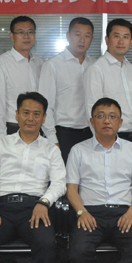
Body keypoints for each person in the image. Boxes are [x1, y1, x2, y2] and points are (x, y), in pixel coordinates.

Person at [0, 92, 65, 263]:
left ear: (44, 118)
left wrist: (44, 203)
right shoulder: (0, 144)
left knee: (47, 245)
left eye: (36, 114)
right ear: (17, 115)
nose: (31, 118)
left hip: (35, 208)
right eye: (26, 113)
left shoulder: (51, 149)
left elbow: (59, 183)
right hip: (1, 209)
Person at [66, 98, 132, 263]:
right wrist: (82, 212)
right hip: (90, 214)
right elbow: (71, 188)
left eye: (112, 117)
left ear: (120, 122)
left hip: (124, 213)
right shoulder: (78, 150)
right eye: (101, 116)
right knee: (78, 254)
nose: (106, 121)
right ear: (92, 122)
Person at [39, 17, 96, 163]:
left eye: (87, 35)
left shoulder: (95, 65)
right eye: (77, 34)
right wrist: (52, 139)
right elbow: (46, 106)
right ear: (68, 36)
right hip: (64, 134)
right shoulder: (53, 65)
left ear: (92, 38)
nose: (82, 40)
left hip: (92, 133)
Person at [83, 18, 132, 145]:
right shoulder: (96, 69)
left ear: (130, 41)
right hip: (109, 138)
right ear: (107, 40)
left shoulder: (130, 68)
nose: (121, 41)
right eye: (116, 36)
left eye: (126, 37)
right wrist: (100, 141)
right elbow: (92, 108)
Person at [0, 15, 44, 137]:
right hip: (12, 128)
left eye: (30, 32)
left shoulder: (40, 63)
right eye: (21, 32)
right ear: (12, 36)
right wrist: (1, 137)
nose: (26, 36)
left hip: (38, 128)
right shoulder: (1, 63)